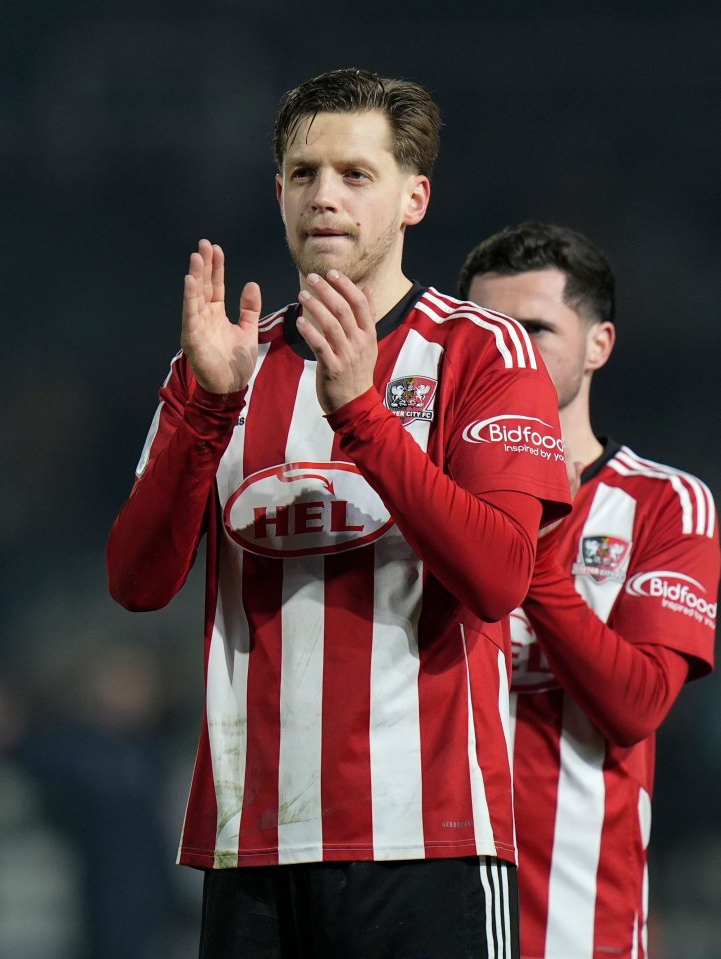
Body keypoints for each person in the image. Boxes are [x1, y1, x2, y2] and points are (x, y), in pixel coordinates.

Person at [107, 70, 571, 958]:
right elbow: (136, 583)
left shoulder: (482, 349)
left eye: (356, 174)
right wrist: (206, 410)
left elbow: (498, 576)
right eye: (303, 172)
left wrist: (362, 413)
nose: (324, 195)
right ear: (277, 191)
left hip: (426, 841)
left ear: (414, 199)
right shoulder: (222, 362)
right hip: (252, 844)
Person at [458, 221, 719, 959]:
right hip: (425, 911)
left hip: (578, 929)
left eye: (535, 329)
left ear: (599, 344)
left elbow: (634, 704)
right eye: (488, 331)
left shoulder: (666, 506)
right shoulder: (427, 503)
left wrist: (527, 550)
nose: (508, 353)